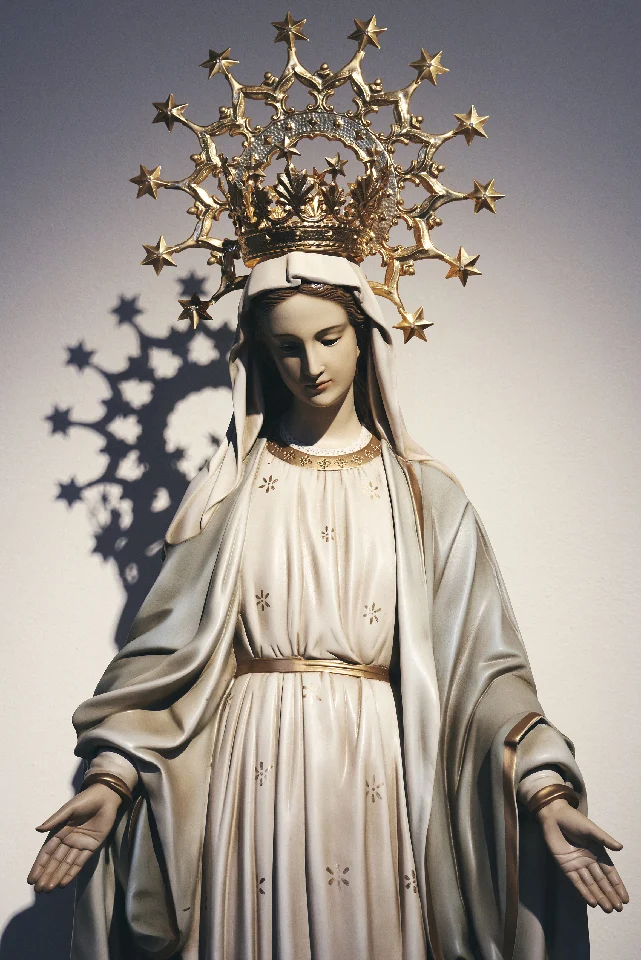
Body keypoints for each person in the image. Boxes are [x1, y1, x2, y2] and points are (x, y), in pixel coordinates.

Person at [27, 252, 628, 960]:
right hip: (250, 768)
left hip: (376, 766)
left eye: (328, 338)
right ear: (260, 353)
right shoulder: (226, 496)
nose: (310, 365)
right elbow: (166, 664)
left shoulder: (427, 499)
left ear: (364, 336)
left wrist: (543, 788)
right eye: (287, 346)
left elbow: (485, 674)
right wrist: (114, 777)